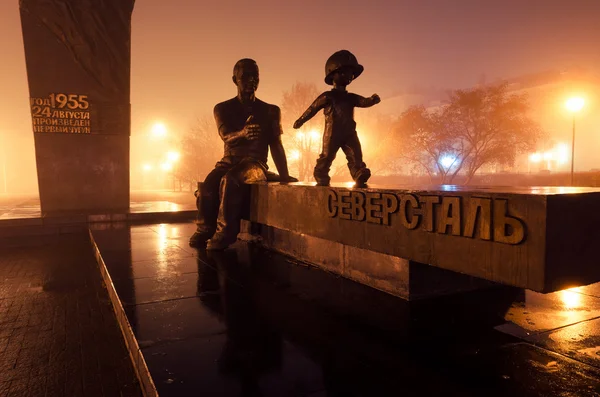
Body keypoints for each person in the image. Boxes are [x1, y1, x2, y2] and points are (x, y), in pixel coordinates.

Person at [189, 58, 295, 250]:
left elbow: (276, 146)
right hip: (228, 161)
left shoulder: (271, 110)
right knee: (207, 187)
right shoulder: (222, 108)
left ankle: (226, 233)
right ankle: (205, 228)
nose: (252, 80)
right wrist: (243, 133)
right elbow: (225, 136)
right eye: (246, 76)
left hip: (255, 164)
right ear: (235, 79)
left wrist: (285, 176)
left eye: (256, 76)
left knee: (231, 179)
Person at [293, 50, 381, 187]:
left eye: (352, 73)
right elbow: (312, 109)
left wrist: (372, 100)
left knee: (356, 154)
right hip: (332, 134)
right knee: (327, 156)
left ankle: (358, 172)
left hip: (349, 133)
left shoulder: (351, 97)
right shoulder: (328, 96)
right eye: (346, 72)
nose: (350, 76)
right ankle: (320, 172)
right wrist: (301, 120)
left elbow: (363, 101)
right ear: (334, 74)